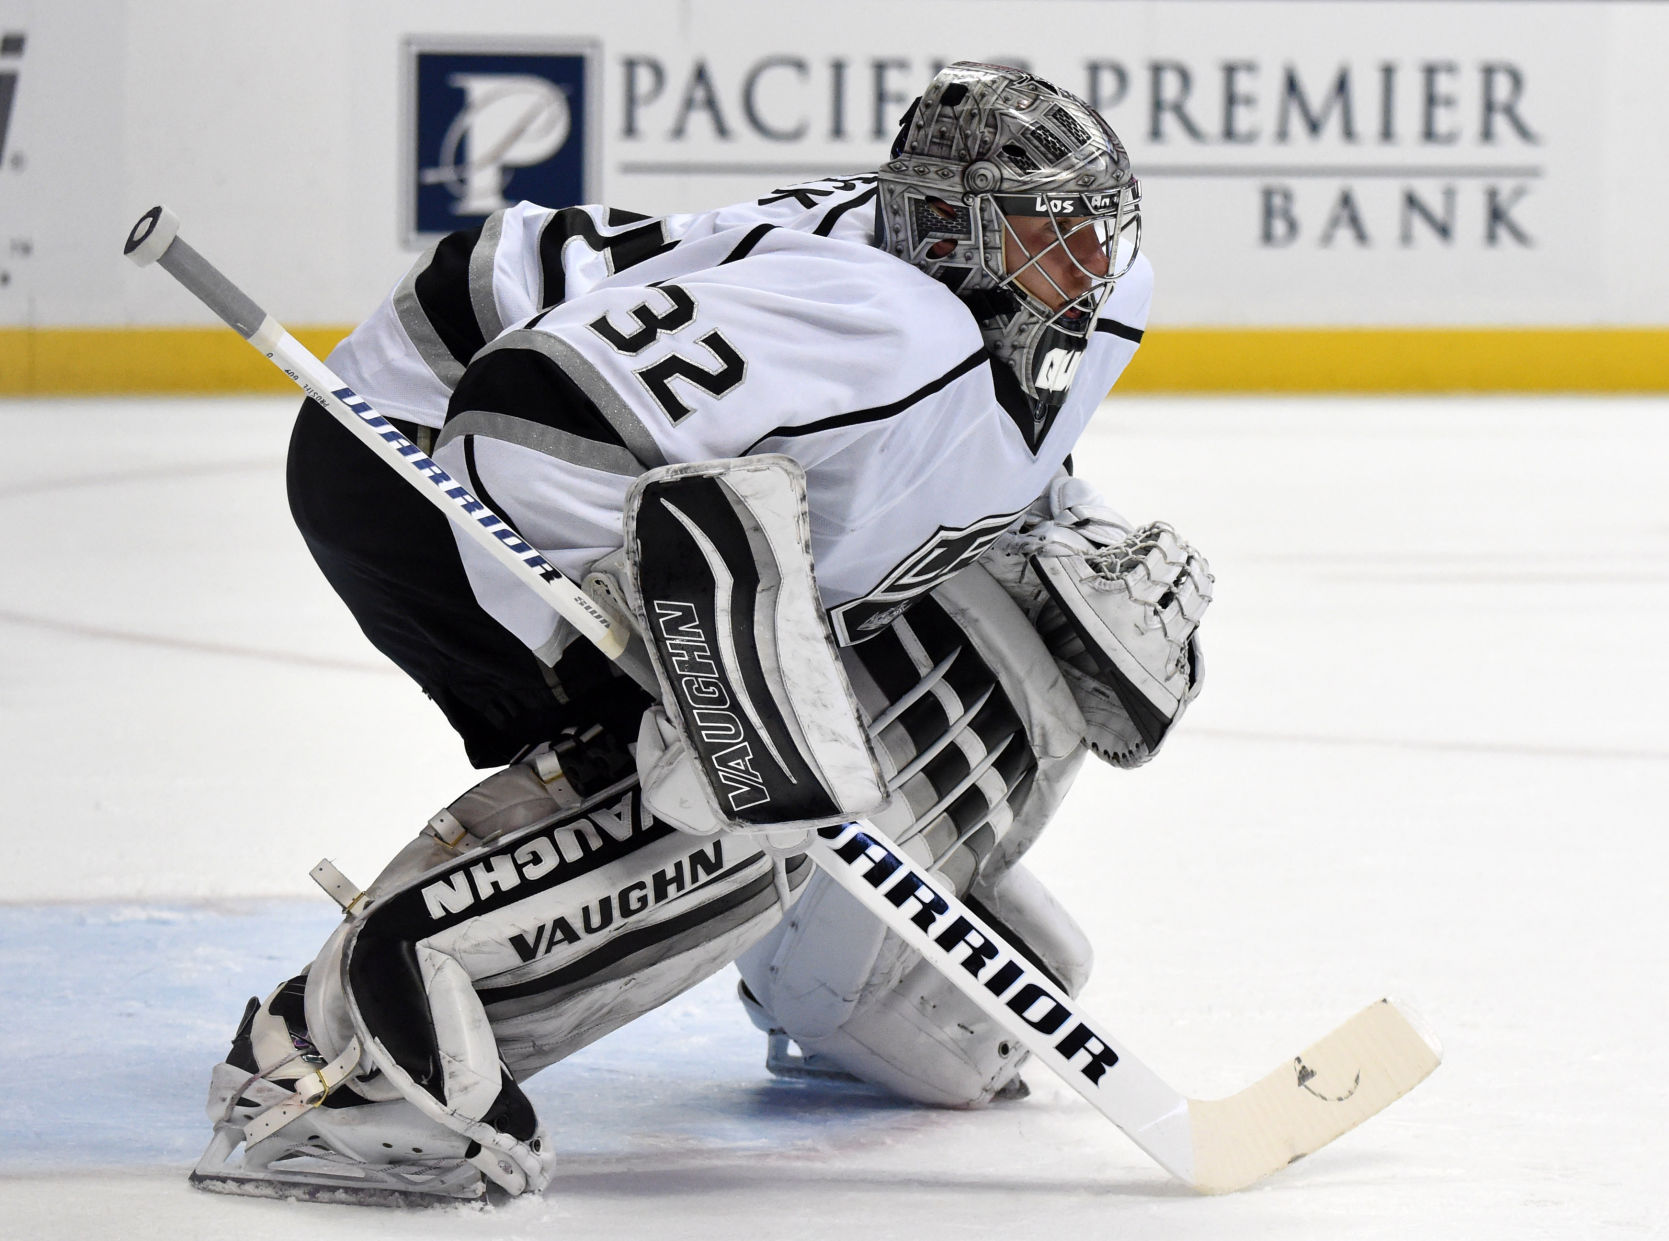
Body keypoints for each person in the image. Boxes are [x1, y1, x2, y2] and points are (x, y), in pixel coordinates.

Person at [190, 61, 1211, 1205]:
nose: (1085, 266)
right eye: (1043, 234)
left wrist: (1074, 533)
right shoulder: (881, 321)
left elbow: (971, 449)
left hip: (609, 439)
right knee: (736, 772)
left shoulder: (1077, 298)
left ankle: (855, 980)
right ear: (947, 231)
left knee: (945, 655)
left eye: (1093, 230)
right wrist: (676, 670)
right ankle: (354, 1052)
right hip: (420, 448)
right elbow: (525, 418)